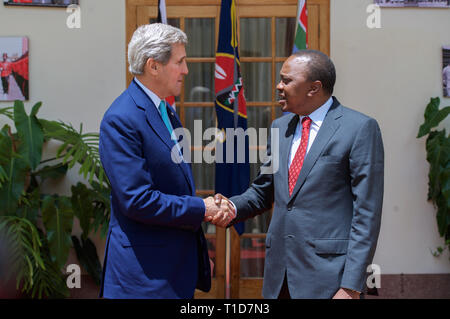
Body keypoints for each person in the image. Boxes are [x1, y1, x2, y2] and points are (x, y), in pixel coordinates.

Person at [216, 50, 384, 299]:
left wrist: (351, 286)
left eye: (287, 80)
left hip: (330, 280)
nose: (278, 86)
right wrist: (229, 206)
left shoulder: (359, 128)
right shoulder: (279, 127)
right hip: (279, 278)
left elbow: (367, 214)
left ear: (314, 88)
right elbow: (264, 191)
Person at [99, 23, 234, 299]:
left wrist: (195, 251)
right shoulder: (122, 118)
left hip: (172, 270)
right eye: (180, 61)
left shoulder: (164, 110)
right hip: (144, 278)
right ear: (154, 66)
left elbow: (173, 185)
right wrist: (202, 207)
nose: (186, 70)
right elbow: (137, 200)